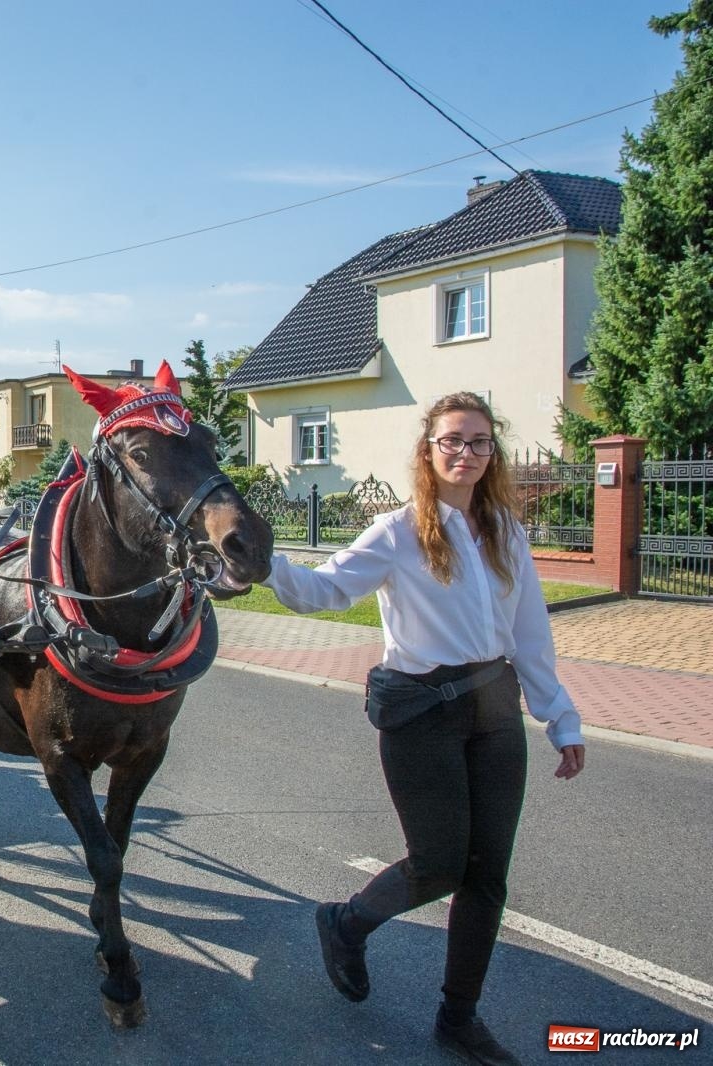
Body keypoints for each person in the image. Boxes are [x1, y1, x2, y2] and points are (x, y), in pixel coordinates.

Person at [261, 392, 584, 1066]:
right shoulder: (398, 532)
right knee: (439, 862)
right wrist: (260, 561)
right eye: (452, 441)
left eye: (479, 442)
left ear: (492, 454)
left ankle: (458, 1019)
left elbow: (531, 636)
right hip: (421, 713)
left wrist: (561, 718)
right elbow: (325, 590)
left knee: (487, 874)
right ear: (428, 451)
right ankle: (345, 924)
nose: (465, 452)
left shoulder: (506, 530)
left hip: (496, 711)